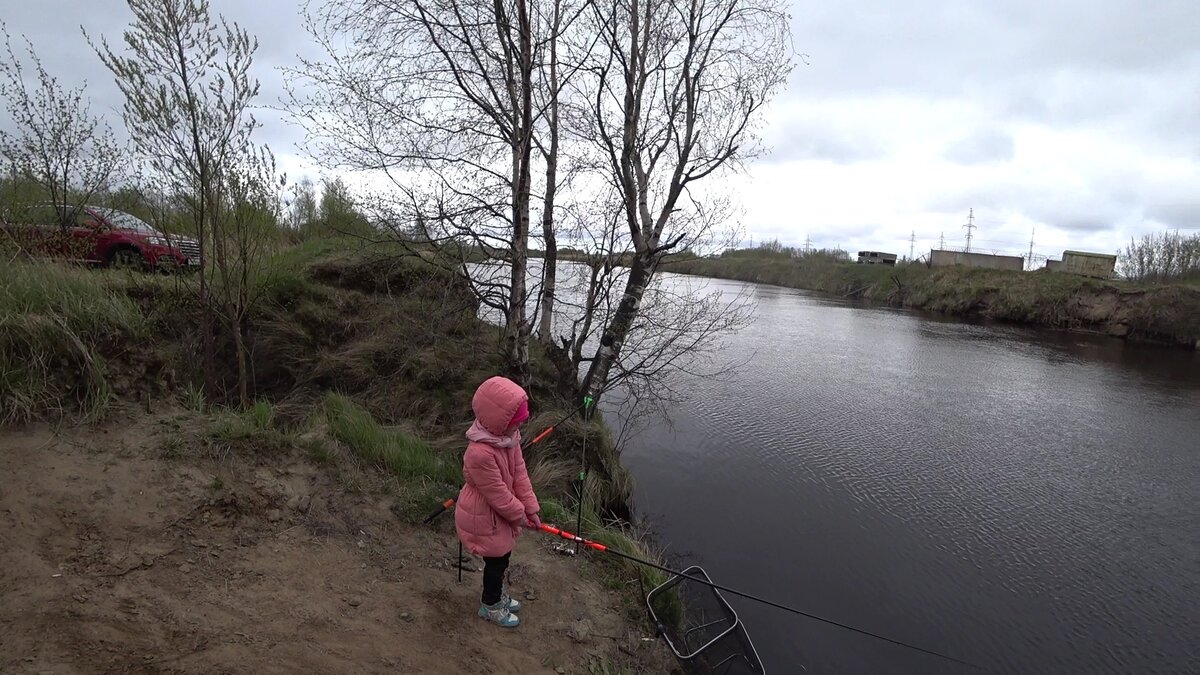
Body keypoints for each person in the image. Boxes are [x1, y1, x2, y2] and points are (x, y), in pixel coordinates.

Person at [454, 376, 542, 628]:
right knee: (496, 562)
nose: (517, 429)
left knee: (503, 557)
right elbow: (498, 495)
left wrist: (531, 508)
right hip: (483, 517)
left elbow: (520, 474)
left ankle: (497, 597)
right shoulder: (479, 454)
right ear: (498, 421)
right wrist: (521, 516)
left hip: (500, 515)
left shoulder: (509, 439)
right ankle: (490, 606)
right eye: (514, 424)